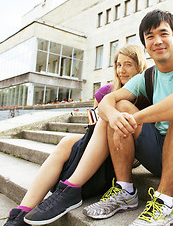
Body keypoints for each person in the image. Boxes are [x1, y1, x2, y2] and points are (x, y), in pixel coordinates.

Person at [81, 9, 173, 226]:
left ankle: (164, 204)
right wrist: (114, 117)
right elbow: (108, 101)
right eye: (150, 36)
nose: (157, 41)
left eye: (163, 33)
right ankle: (125, 192)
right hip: (159, 154)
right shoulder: (147, 76)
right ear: (145, 45)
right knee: (121, 106)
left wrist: (137, 118)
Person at [4, 44, 148, 226]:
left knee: (109, 113)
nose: (122, 70)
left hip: (124, 153)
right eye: (118, 65)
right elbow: (94, 129)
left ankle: (70, 189)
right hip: (99, 148)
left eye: (128, 64)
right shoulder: (105, 92)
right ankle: (20, 213)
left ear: (139, 66)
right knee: (66, 141)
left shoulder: (145, 95)